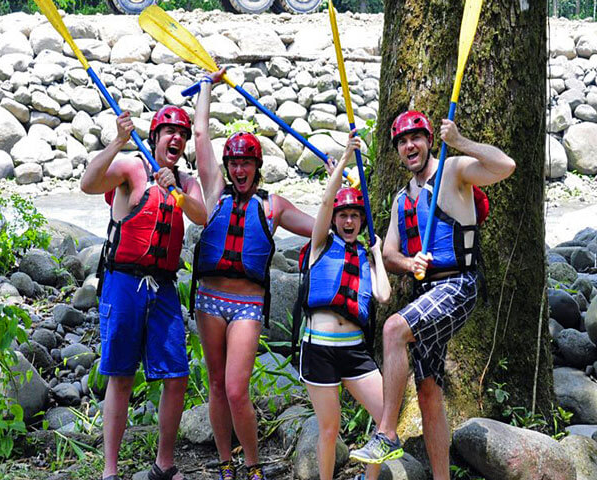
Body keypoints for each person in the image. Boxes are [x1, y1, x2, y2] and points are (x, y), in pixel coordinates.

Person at [349, 111, 515, 479]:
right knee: (428, 390)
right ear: (398, 151)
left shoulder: (453, 170)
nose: (410, 146)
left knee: (394, 329)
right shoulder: (400, 199)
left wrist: (459, 141)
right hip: (426, 290)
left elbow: (505, 165)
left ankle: (387, 433)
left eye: (416, 139)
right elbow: (389, 254)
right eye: (402, 142)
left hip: (458, 285)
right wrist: (410, 264)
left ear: (428, 141)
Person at [191, 68, 315, 480]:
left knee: (235, 388)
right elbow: (201, 138)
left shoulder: (271, 205)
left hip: (246, 304)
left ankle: (253, 464)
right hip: (209, 300)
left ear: (257, 167)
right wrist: (207, 86)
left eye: (245, 163)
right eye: (234, 163)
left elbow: (321, 227)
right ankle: (226, 463)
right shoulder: (213, 193)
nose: (238, 170)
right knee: (215, 385)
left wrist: (338, 178)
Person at [80, 106, 207, 480]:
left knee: (177, 375)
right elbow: (88, 183)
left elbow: (201, 215)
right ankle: (110, 471)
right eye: (169, 133)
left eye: (181, 135)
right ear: (154, 138)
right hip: (123, 282)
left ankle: (163, 465)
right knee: (120, 375)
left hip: (163, 286)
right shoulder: (131, 167)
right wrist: (118, 140)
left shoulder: (185, 182)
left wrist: (177, 192)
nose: (176, 139)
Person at [297, 130, 392, 480]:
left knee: (386, 419)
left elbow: (383, 295)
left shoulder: (365, 260)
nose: (349, 221)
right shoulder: (320, 245)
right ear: (336, 221)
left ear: (361, 222)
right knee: (329, 428)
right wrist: (344, 163)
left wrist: (378, 256)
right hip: (318, 349)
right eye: (343, 216)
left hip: (354, 352)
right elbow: (324, 205)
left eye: (355, 215)